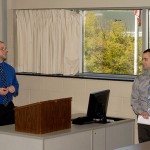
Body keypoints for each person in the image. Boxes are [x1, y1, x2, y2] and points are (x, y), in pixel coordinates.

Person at [131, 49, 150, 143]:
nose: (143, 62)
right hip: (144, 122)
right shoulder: (139, 80)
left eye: (145, 59)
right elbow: (134, 101)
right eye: (142, 59)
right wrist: (141, 112)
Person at [0, 41, 19, 125]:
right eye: (2, 49)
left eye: (5, 49)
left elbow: (16, 84)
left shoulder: (10, 69)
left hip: (8, 107)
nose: (6, 51)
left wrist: (14, 88)